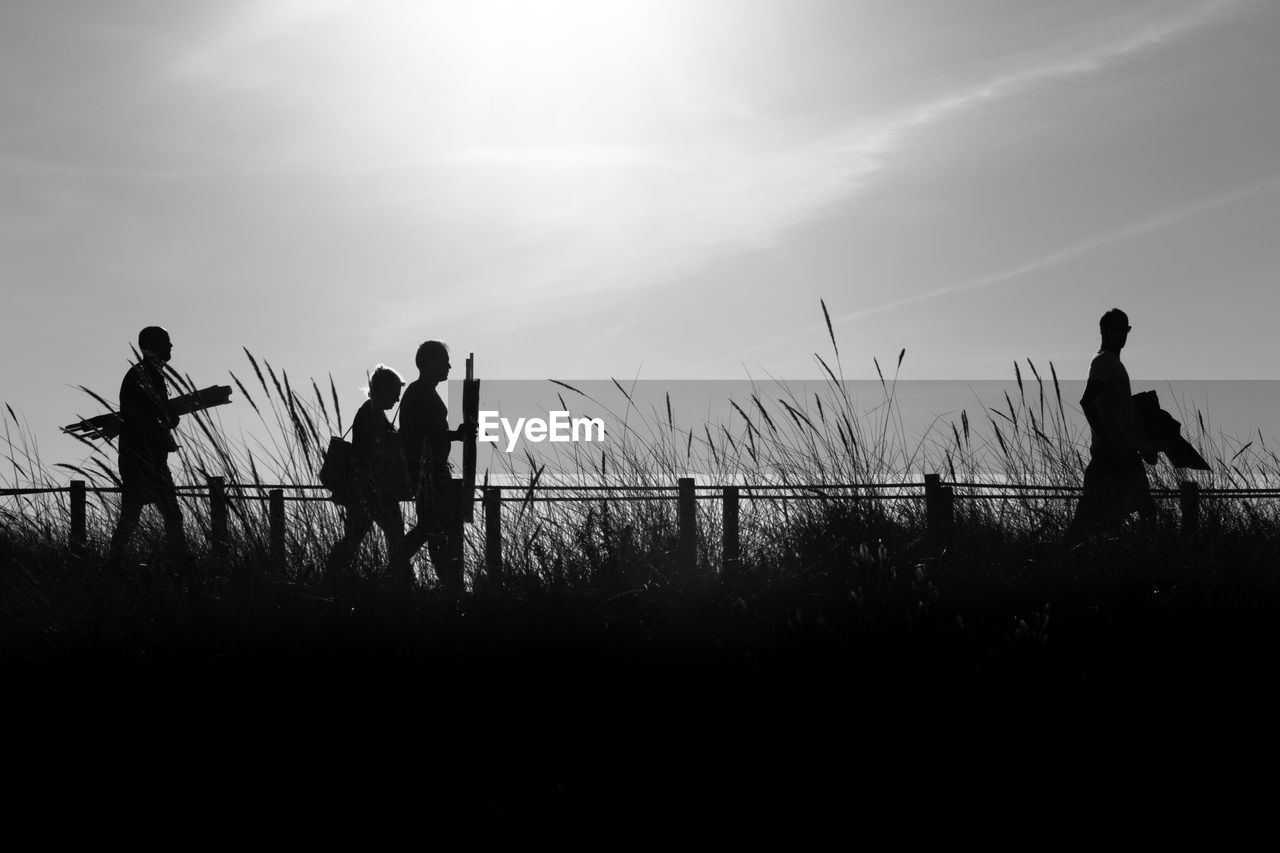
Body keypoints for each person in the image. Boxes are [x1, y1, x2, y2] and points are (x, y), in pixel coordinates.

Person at [1066, 309, 1158, 542]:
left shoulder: (1110, 362)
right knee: (1133, 513)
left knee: (1116, 516)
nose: (1121, 335)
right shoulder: (1104, 361)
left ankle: (1079, 556)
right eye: (1116, 329)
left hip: (1122, 451)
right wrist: (1106, 439)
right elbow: (1087, 401)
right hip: (1113, 454)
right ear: (1104, 331)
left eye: (1125, 329)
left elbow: (1113, 410)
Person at [107, 326, 188, 567]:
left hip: (140, 459)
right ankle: (180, 565)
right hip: (146, 460)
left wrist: (165, 418)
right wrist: (168, 418)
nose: (171, 345)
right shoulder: (144, 375)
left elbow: (151, 414)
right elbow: (147, 417)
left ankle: (114, 563)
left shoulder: (146, 374)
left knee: (131, 517)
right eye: (166, 341)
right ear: (151, 346)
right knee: (171, 517)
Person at [325, 365, 412, 585]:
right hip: (372, 489)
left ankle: (331, 575)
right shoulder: (371, 413)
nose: (396, 399)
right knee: (394, 534)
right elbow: (380, 446)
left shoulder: (372, 412)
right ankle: (400, 580)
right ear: (381, 390)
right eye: (394, 393)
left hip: (364, 489)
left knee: (356, 536)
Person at [400, 341, 474, 593]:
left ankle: (444, 581)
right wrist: (456, 434)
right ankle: (399, 567)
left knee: (431, 528)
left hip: (431, 471)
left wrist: (455, 435)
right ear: (430, 362)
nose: (449, 366)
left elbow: (430, 433)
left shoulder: (422, 392)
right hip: (428, 473)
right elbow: (427, 435)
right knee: (432, 528)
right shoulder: (420, 393)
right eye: (444, 360)